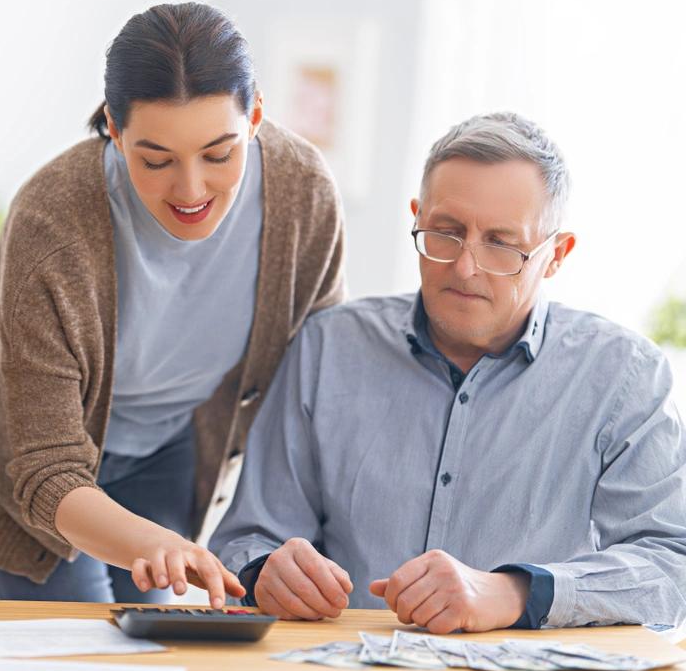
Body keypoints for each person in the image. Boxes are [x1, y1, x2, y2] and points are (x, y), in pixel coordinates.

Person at [211, 111, 686, 632]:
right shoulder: (326, 348)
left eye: (502, 243)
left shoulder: (626, 376)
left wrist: (512, 592)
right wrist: (263, 572)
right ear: (417, 218)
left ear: (556, 255)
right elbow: (248, 536)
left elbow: (671, 565)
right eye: (446, 232)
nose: (465, 267)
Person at [0, 2, 346, 607]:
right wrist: (157, 545)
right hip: (31, 456)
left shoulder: (303, 194)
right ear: (114, 127)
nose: (190, 190)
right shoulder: (54, 217)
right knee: (73, 646)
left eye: (219, 154)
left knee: (149, 640)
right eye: (155, 160)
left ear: (256, 115)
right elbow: (45, 468)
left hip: (167, 444)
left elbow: (313, 386)